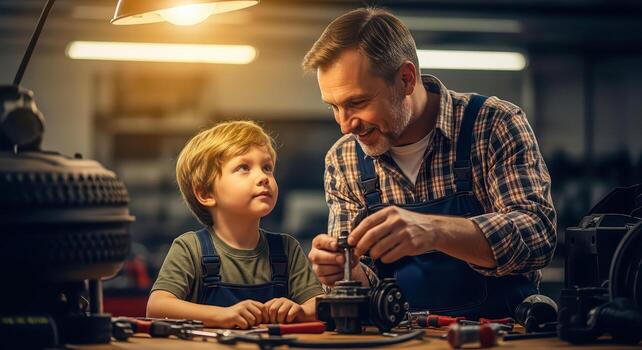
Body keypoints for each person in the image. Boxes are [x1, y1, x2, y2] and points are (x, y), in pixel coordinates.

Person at [303, 8, 557, 319]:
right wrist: (345, 271)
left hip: (501, 336)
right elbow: (362, 286)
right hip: (402, 341)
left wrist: (435, 231)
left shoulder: (493, 124)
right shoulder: (344, 160)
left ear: (406, 79)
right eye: (334, 107)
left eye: (356, 103)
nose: (344, 125)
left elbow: (538, 236)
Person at [147, 121, 324, 328]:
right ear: (206, 193)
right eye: (244, 168)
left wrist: (300, 311)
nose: (263, 177)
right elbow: (157, 307)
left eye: (267, 168)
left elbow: (319, 306)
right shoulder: (189, 248)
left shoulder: (287, 249)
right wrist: (223, 316)